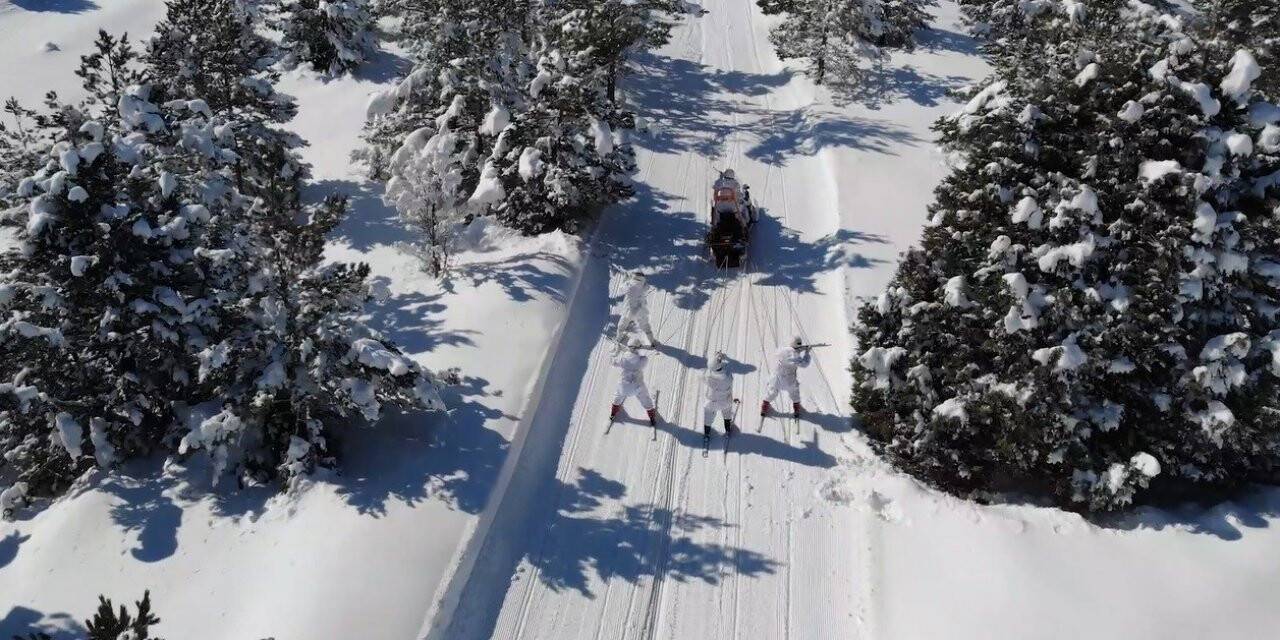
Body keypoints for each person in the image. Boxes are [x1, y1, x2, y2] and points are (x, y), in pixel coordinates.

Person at [761, 336, 812, 417]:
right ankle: (796, 407)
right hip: (789, 380)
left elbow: (787, 354)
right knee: (795, 393)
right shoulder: (794, 354)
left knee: (772, 392)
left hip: (776, 379)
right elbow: (804, 363)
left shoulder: (782, 350)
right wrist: (807, 353)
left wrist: (798, 350)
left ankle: (765, 406)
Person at [611, 338, 657, 426]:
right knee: (645, 398)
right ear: (638, 348)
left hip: (623, 386)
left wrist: (615, 352)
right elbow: (645, 360)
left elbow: (614, 363)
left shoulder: (623, 358)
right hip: (636, 387)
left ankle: (613, 413)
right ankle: (651, 417)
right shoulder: (641, 360)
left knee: (617, 396)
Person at [615, 271, 657, 346]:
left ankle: (618, 338)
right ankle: (652, 342)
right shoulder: (643, 286)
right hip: (640, 311)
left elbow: (621, 289)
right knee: (645, 326)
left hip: (628, 311)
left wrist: (625, 280)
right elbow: (648, 287)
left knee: (622, 325)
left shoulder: (628, 284)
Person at [702, 351, 736, 438]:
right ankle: (727, 430)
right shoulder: (728, 375)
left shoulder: (710, 378)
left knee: (708, 417)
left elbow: (703, 377)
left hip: (713, 403)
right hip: (725, 402)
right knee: (727, 414)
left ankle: (707, 434)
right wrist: (719, 358)